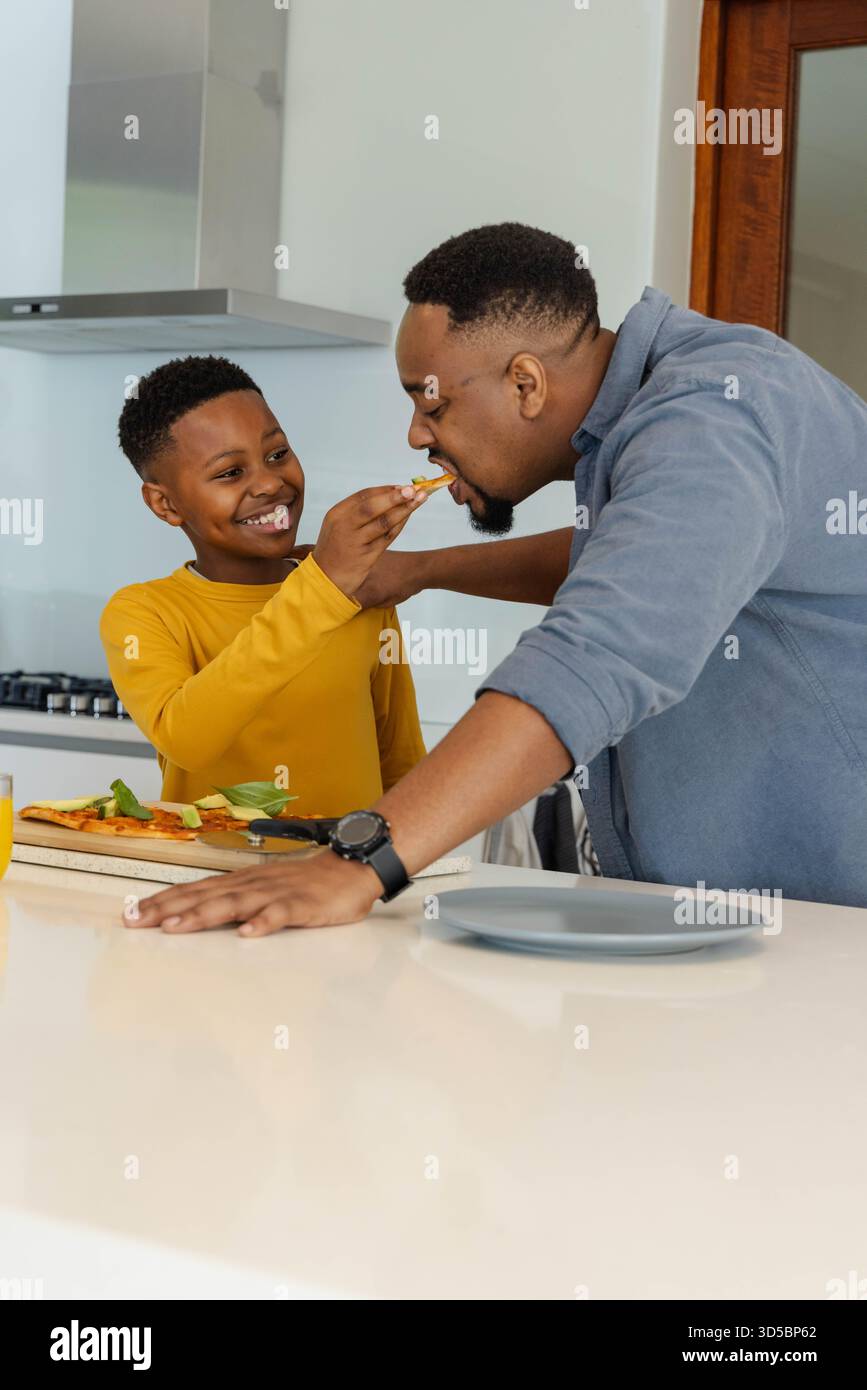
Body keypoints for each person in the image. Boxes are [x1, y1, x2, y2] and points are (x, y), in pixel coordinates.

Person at [128, 221, 867, 934]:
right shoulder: (675, 402)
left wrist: (363, 859)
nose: (417, 434)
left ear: (525, 383)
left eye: (430, 401)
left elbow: (602, 649)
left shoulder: (711, 419)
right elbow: (636, 560)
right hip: (749, 921)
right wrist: (419, 572)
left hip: (828, 929)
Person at [101, 355, 427, 814]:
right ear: (165, 504)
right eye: (231, 472)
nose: (270, 483)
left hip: (350, 878)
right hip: (213, 878)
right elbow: (186, 738)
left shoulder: (360, 595)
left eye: (277, 454)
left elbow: (402, 764)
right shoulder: (143, 611)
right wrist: (322, 588)